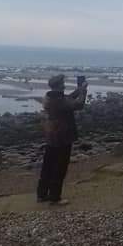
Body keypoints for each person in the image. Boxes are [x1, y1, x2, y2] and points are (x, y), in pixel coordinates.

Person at [36, 73, 87, 205]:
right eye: (63, 84)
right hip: (62, 137)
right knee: (60, 167)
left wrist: (79, 89)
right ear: (59, 86)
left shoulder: (49, 97)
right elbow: (79, 104)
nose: (64, 85)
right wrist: (84, 91)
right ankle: (54, 197)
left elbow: (68, 98)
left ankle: (41, 194)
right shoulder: (59, 101)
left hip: (51, 136)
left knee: (47, 166)